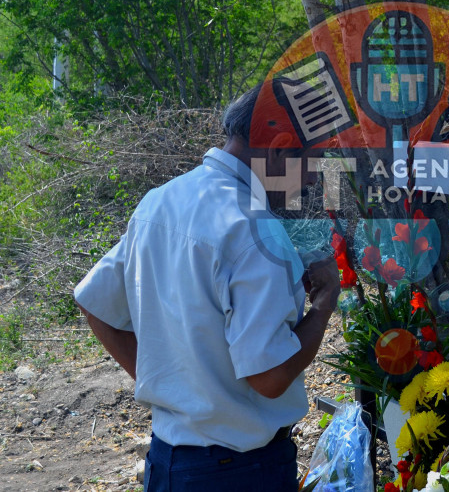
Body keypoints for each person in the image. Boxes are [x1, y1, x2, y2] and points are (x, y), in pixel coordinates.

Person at [74, 84, 341, 491]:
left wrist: (178, 391)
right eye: (313, 162)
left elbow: (94, 304)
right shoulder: (258, 232)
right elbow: (269, 380)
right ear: (281, 149)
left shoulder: (159, 202)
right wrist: (323, 306)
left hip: (167, 461)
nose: (310, 180)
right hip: (241, 472)